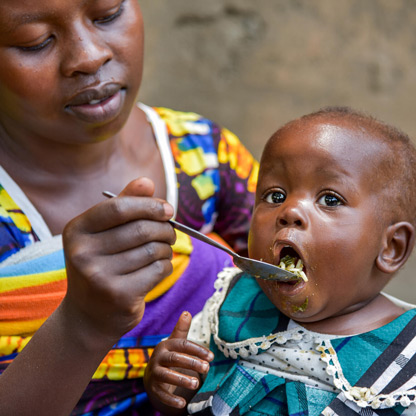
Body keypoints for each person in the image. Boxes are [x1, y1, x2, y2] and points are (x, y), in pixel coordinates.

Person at [0, 0, 258, 414]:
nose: (89, 56)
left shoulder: (207, 157)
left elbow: (315, 308)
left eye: (107, 15)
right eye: (35, 42)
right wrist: (82, 325)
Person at [144, 106, 416, 415]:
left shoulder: (404, 359)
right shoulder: (232, 305)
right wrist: (170, 385)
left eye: (330, 199)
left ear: (391, 247)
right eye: (275, 196)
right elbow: (185, 399)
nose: (290, 211)